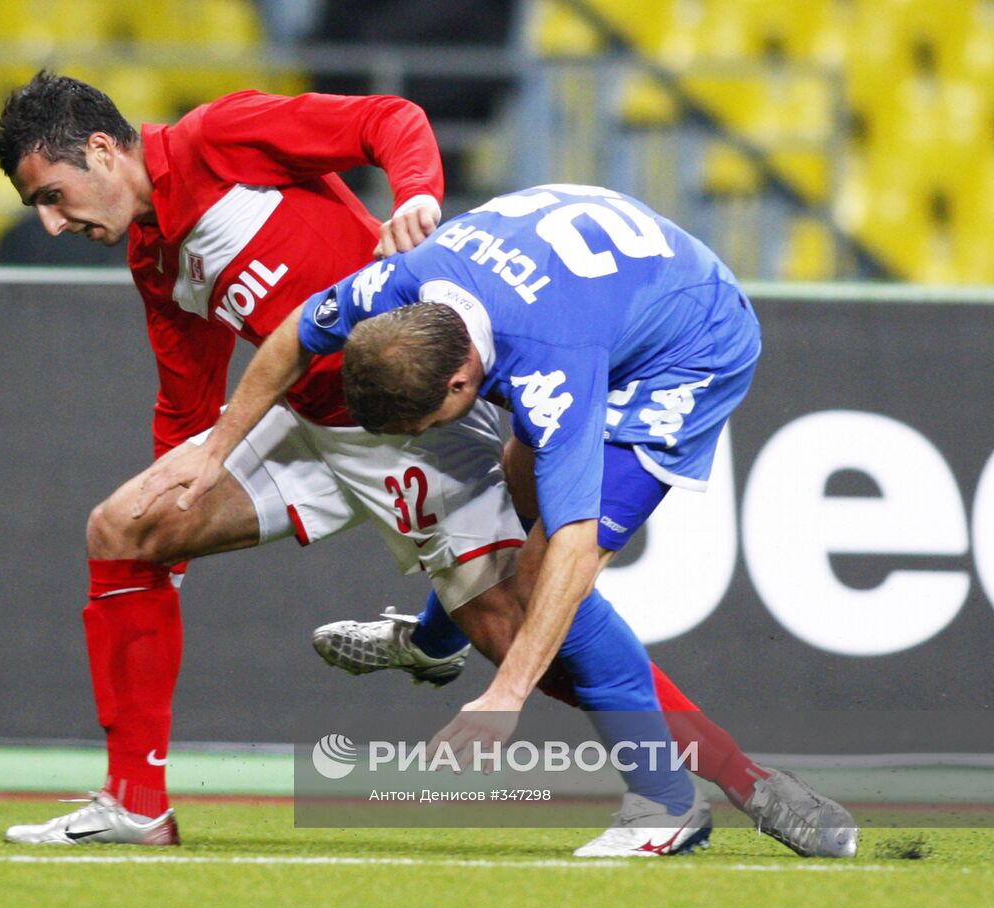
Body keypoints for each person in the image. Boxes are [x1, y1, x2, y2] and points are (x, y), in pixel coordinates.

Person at [0, 75, 845, 856]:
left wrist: (417, 198)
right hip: (302, 410)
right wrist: (193, 468)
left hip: (416, 402)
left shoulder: (223, 137)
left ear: (101, 150)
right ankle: (138, 804)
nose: (54, 223)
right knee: (125, 530)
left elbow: (387, 117)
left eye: (52, 197)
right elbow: (189, 396)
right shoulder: (152, 254)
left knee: (534, 630)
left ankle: (738, 780)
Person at [137, 183, 860, 857]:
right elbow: (299, 333)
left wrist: (507, 695)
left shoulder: (552, 370)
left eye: (421, 423)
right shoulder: (405, 282)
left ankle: (667, 801)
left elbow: (578, 548)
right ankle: (431, 643)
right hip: (593, 294)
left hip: (689, 348)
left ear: (461, 382)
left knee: (548, 578)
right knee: (514, 482)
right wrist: (217, 449)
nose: (415, 441)